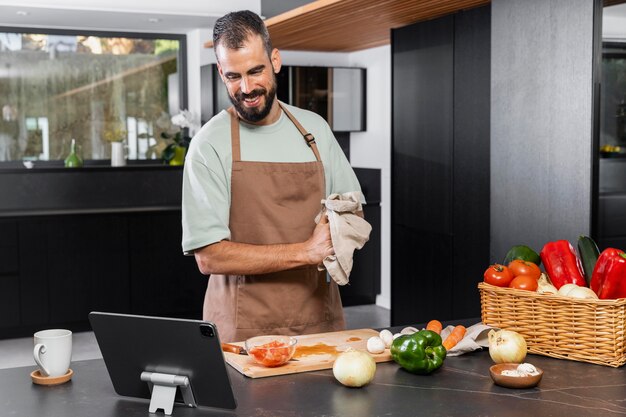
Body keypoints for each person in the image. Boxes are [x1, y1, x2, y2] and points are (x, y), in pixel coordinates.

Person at [181, 10, 364, 342]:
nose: (247, 88)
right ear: (221, 72)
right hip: (242, 328)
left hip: (318, 319)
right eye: (233, 76)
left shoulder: (315, 130)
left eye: (256, 71)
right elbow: (209, 256)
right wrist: (305, 251)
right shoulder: (209, 144)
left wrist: (340, 228)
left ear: (275, 60)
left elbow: (354, 211)